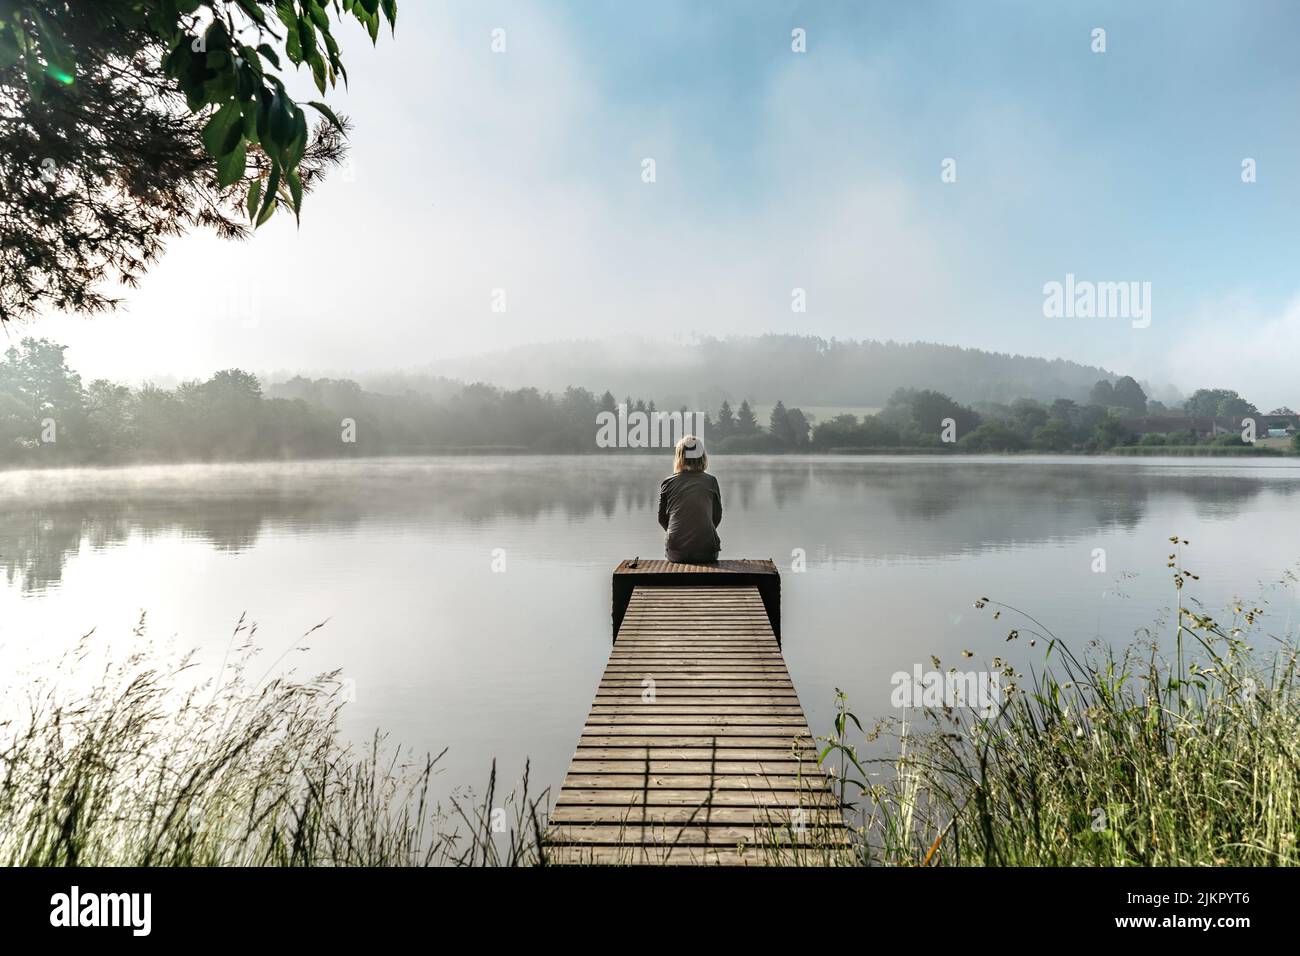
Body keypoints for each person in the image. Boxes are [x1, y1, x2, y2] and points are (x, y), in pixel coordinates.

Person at [657, 434, 722, 563]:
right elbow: (716, 517)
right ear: (702, 456)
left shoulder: (668, 483)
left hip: (677, 552)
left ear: (679, 457)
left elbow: (662, 519)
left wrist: (677, 535)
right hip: (707, 552)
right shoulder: (711, 481)